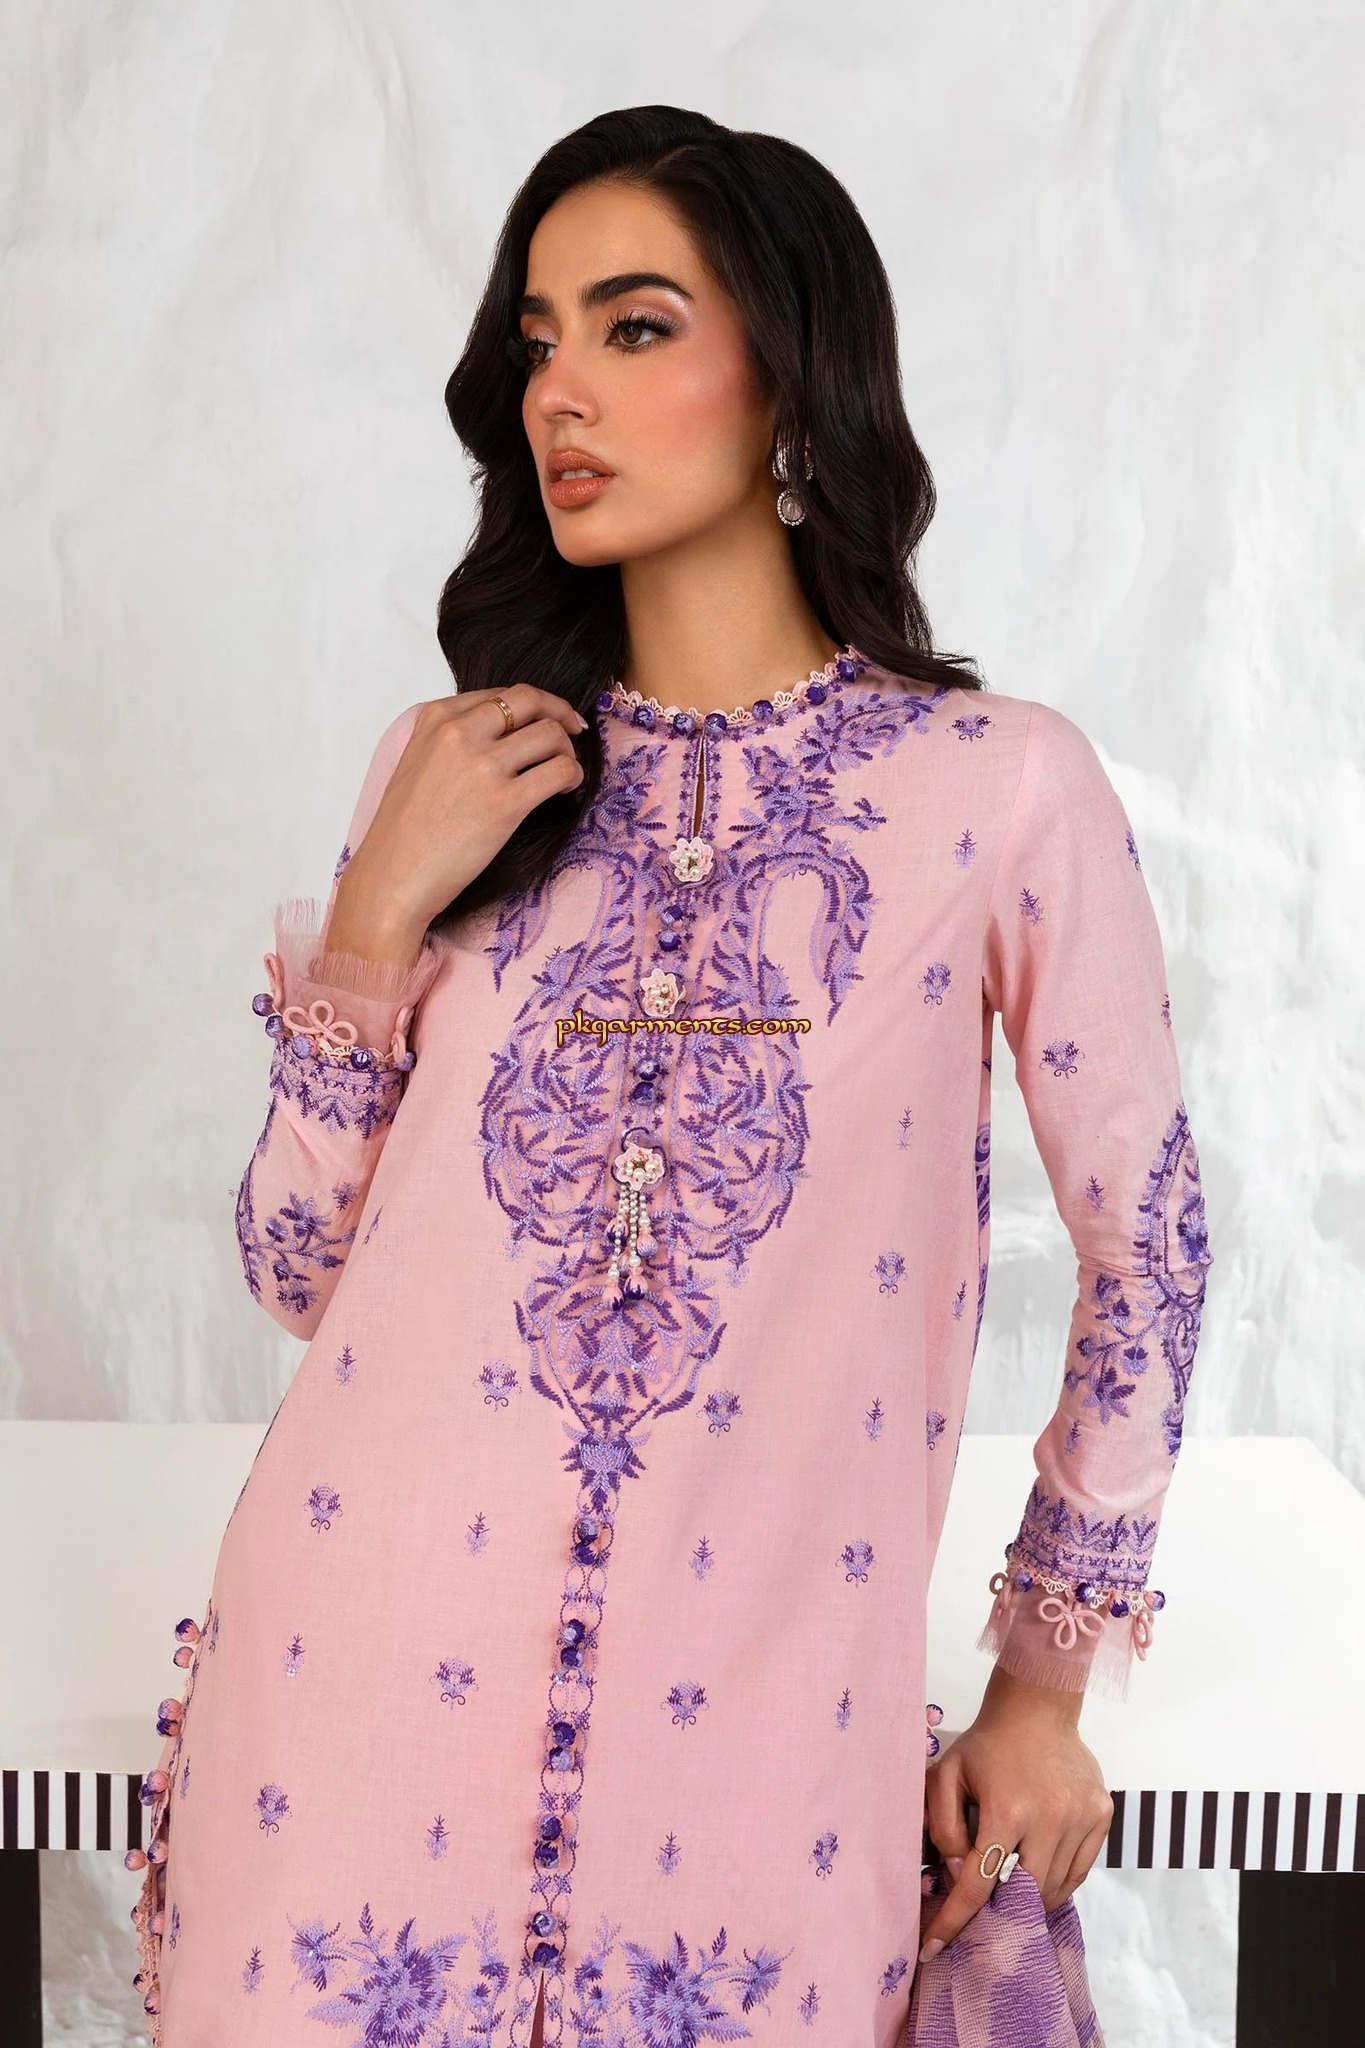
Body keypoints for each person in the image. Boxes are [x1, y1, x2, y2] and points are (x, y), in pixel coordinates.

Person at [128, 105, 1212, 2048]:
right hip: (347, 1737)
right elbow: (300, 1267)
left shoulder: (991, 790)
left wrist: (1040, 1688)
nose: (561, 388)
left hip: (750, 1784)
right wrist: (372, 923)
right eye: (536, 339)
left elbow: (1152, 1248)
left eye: (633, 327)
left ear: (791, 376)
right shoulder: (457, 771)